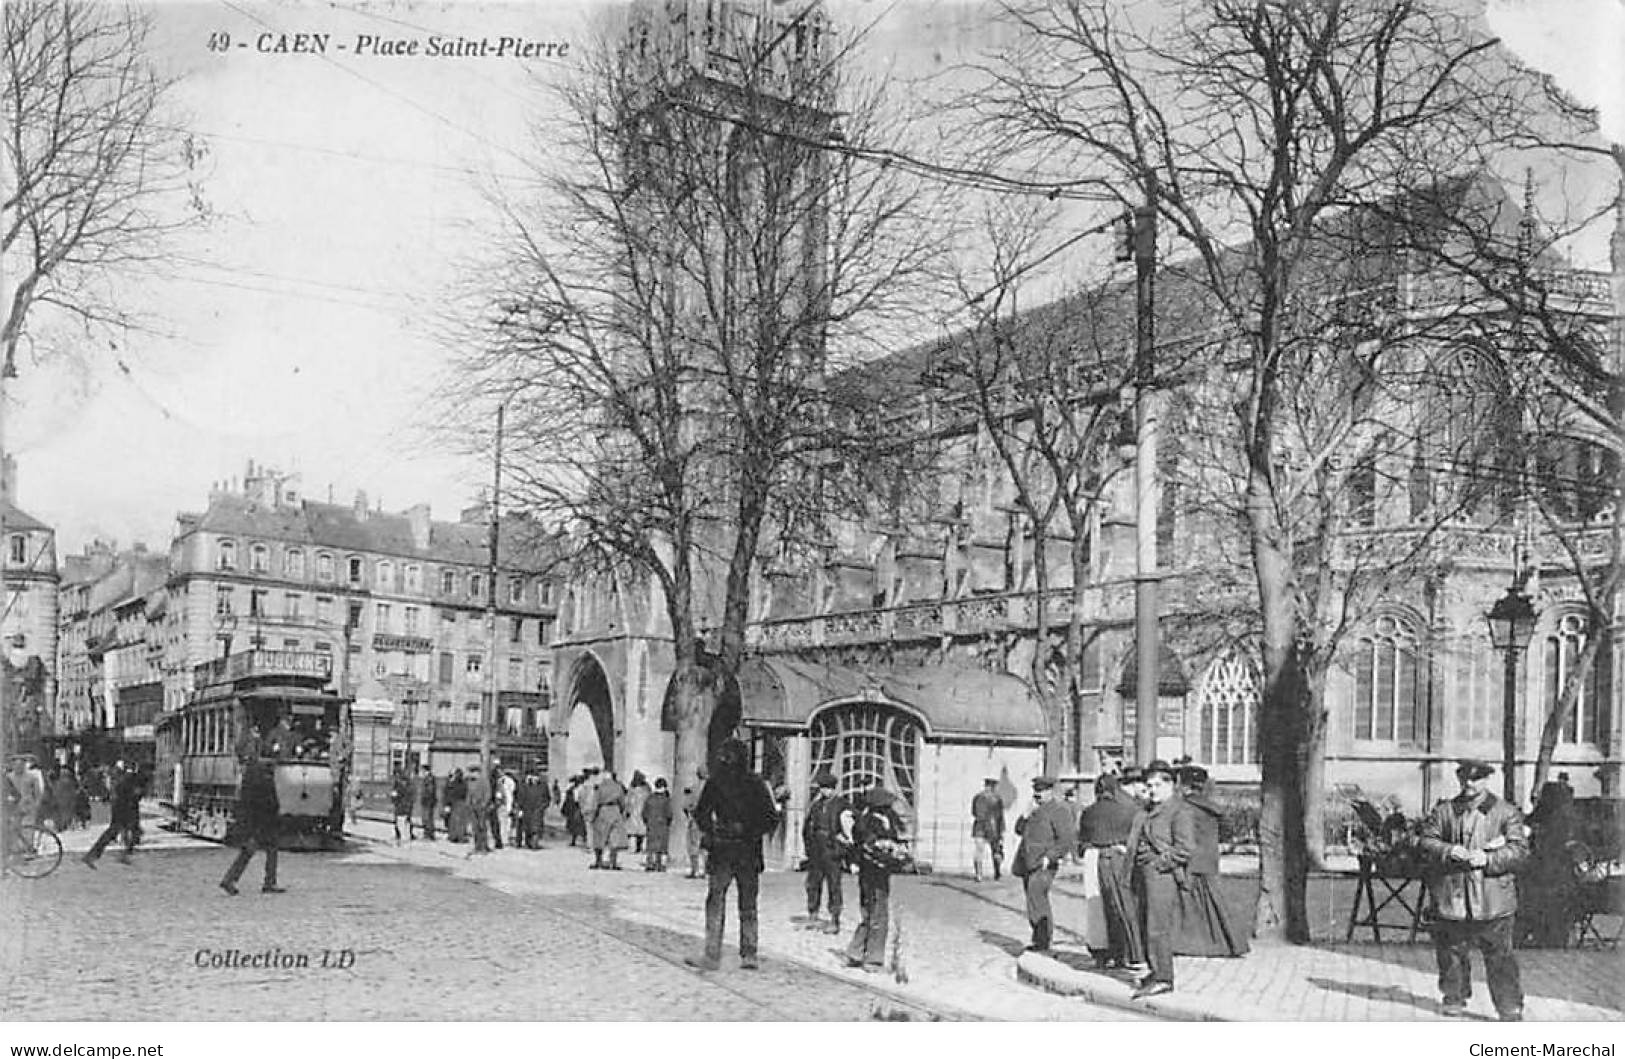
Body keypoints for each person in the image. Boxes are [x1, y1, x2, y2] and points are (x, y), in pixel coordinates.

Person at [1417, 759, 1530, 1021]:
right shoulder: (1445, 811)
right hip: (1453, 896)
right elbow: (1426, 840)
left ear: (1487, 780)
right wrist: (1448, 850)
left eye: (1476, 778)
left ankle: (1509, 1006)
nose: (1469, 783)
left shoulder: (1505, 812)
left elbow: (1520, 850)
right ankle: (1454, 997)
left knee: (1500, 956)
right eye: (1464, 777)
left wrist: (1488, 859)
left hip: (1493, 899)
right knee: (1451, 952)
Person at [687, 739, 780, 972]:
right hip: (748, 850)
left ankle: (712, 955)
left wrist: (714, 831)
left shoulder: (716, 783)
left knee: (716, 900)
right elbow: (771, 818)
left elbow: (701, 814)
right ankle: (749, 954)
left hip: (723, 849)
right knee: (747, 903)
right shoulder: (756, 784)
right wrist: (751, 831)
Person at [1129, 760, 1196, 999]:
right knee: (1144, 924)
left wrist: (1159, 863)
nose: (1152, 790)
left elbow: (1186, 848)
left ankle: (1163, 977)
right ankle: (1153, 970)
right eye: (1149, 785)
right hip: (1145, 876)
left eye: (1157, 785)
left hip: (1163, 877)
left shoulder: (1179, 811)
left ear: (1170, 785)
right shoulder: (1149, 810)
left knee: (1158, 928)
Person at [1171, 765, 1249, 958]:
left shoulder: (1183, 807)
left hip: (1189, 859)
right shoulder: (1212, 808)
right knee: (1214, 904)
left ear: (1183, 785)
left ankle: (1189, 944)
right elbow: (1227, 831)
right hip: (1209, 858)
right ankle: (1229, 943)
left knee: (1187, 904)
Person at [1079, 772, 1145, 972]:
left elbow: (1081, 840)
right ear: (1115, 790)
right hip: (1118, 858)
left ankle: (1102, 953)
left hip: (1093, 860)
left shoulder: (1088, 812)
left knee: (1097, 907)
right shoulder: (1129, 811)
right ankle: (1131, 954)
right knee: (1124, 907)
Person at [844, 784, 906, 972]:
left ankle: (855, 952)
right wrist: (895, 855)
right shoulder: (876, 822)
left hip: (866, 872)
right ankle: (873, 958)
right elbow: (873, 848)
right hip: (876, 871)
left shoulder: (865, 820)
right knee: (878, 913)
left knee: (868, 912)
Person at [1012, 776, 1076, 953]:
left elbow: (1066, 839)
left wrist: (1051, 857)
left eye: (1041, 791)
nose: (1038, 795)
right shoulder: (1034, 810)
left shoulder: (1059, 810)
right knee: (1032, 899)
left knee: (1036, 895)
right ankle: (1039, 937)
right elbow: (1018, 830)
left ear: (1050, 791)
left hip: (1044, 863)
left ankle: (1043, 940)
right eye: (1036, 791)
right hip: (1028, 862)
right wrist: (1025, 815)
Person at [220, 733, 284, 895]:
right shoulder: (263, 772)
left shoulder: (250, 771)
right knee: (266, 848)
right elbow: (269, 798)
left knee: (253, 850)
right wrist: (276, 812)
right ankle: (267, 882)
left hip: (253, 818)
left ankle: (231, 879)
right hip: (263, 820)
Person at [1519, 779, 1578, 947]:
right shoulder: (1567, 814)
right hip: (1560, 869)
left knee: (1538, 898)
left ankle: (1540, 933)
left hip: (1545, 866)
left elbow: (1531, 827)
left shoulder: (1551, 814)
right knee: (1554, 903)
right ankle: (1553, 936)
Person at [802, 768, 852, 934]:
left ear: (833, 788)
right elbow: (807, 826)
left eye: (828, 788)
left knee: (834, 884)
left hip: (832, 849)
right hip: (816, 849)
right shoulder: (816, 806)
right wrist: (808, 847)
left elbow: (850, 826)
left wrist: (844, 845)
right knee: (813, 883)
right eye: (822, 788)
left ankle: (834, 919)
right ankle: (813, 914)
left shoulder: (841, 805)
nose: (825, 791)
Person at [82, 763, 144, 868]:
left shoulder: (125, 778)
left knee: (124, 832)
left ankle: (123, 855)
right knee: (121, 832)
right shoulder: (130, 779)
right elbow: (133, 795)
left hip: (122, 807)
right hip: (125, 808)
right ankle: (94, 855)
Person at [970, 777, 1006, 882]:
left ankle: (984, 874)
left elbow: (974, 812)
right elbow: (999, 816)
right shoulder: (995, 799)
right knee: (989, 850)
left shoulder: (978, 797)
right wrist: (1001, 829)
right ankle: (988, 873)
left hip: (983, 827)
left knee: (989, 851)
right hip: (990, 827)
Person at [591, 771, 628, 869]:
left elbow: (595, 801)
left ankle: (598, 861)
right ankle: (613, 862)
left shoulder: (600, 788)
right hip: (615, 810)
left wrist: (593, 815)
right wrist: (622, 812)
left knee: (599, 837)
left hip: (603, 810)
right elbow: (623, 802)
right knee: (614, 838)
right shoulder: (618, 787)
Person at [643, 777, 674, 871]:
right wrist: (668, 821)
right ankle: (660, 865)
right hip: (663, 824)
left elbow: (644, 812)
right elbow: (669, 813)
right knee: (662, 846)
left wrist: (647, 821)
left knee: (651, 844)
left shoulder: (649, 798)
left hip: (651, 823)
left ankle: (650, 863)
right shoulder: (666, 799)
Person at [682, 772, 707, 879]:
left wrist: (689, 814)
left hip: (696, 820)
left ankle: (695, 869)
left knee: (693, 845)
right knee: (705, 847)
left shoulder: (694, 788)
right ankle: (704, 869)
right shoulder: (714, 788)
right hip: (709, 821)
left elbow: (686, 805)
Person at [466, 765, 492, 856]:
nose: (471, 774)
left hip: (481, 807)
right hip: (473, 807)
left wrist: (484, 804)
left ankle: (484, 847)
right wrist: (468, 804)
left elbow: (488, 794)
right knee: (475, 827)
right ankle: (477, 846)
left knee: (482, 827)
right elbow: (469, 794)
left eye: (473, 772)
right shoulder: (470, 782)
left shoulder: (484, 781)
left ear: (477, 772)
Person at [626, 773, 650, 855]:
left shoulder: (631, 789)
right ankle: (643, 848)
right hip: (643, 811)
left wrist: (627, 811)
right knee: (643, 831)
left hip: (634, 812)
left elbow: (628, 801)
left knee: (633, 832)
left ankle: (633, 848)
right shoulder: (646, 789)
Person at [390, 767, 415, 844]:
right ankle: (403, 834)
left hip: (402, 804)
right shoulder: (401, 783)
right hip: (402, 804)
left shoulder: (400, 784)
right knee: (403, 819)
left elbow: (397, 793)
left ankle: (404, 834)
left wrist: (394, 796)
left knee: (403, 819)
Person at [563, 776, 585, 847]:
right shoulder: (571, 790)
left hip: (579, 807)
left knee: (580, 824)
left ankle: (583, 838)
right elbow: (568, 800)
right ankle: (574, 839)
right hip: (574, 808)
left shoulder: (582, 789)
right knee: (574, 824)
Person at [418, 765, 439, 841]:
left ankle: (429, 835)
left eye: (422, 770)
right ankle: (427, 833)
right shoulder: (426, 778)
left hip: (428, 801)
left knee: (428, 818)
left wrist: (426, 797)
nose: (422, 772)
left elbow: (430, 790)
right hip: (426, 801)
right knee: (425, 818)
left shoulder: (429, 778)